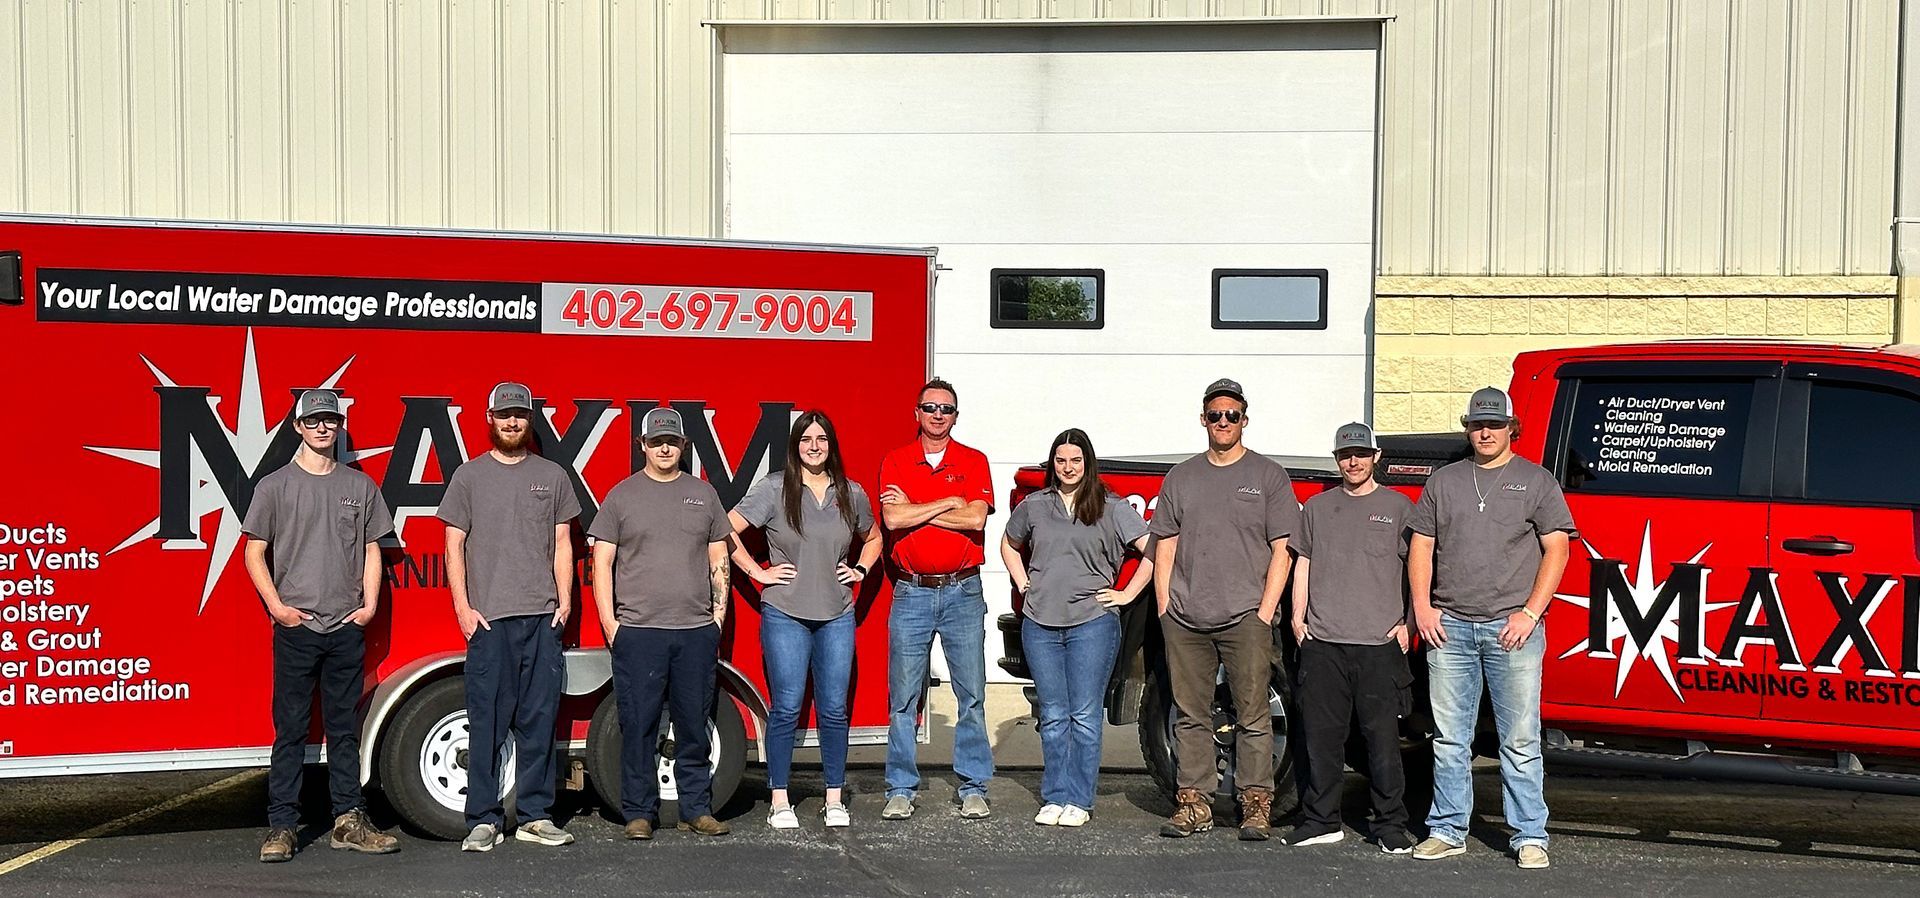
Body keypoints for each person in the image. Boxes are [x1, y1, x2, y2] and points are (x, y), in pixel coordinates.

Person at [1408, 387, 1575, 870]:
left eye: (1495, 425)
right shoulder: (1445, 481)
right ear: (1468, 429)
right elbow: (1421, 544)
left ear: (1511, 428)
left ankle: (1529, 835)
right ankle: (1447, 828)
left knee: (1519, 739)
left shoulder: (1536, 480)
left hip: (1511, 630)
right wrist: (1423, 607)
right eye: (1477, 425)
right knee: (1448, 738)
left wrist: (1531, 612)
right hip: (1451, 627)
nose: (1485, 432)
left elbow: (1558, 547)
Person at [242, 389, 400, 863]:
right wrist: (279, 610)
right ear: (298, 426)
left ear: (339, 426)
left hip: (345, 629)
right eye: (314, 422)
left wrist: (369, 606)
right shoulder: (274, 487)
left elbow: (374, 548)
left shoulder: (360, 486)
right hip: (296, 630)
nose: (323, 428)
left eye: (331, 421)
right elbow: (253, 552)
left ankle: (348, 820)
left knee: (344, 731)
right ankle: (282, 826)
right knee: (290, 731)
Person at [1150, 378, 1300, 841]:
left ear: (1244, 421)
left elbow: (1285, 549)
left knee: (1253, 714)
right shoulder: (1182, 477)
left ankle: (1255, 805)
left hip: (1244, 618)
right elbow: (1165, 544)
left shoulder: (1268, 476)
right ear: (1203, 420)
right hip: (1186, 617)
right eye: (1215, 415)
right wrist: (1163, 608)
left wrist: (1264, 610)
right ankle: (1194, 803)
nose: (1223, 422)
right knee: (1190, 714)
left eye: (1231, 415)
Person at [439, 382, 582, 852]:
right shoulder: (469, 477)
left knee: (539, 723)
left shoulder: (553, 476)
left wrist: (564, 601)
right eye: (504, 415)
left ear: (530, 419)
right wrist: (463, 607)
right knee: (487, 723)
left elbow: (564, 543)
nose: (513, 422)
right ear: (490, 418)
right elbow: (453, 545)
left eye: (520, 414)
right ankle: (483, 817)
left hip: (542, 619)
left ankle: (536, 816)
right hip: (490, 622)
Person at [727, 411, 883, 830]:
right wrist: (756, 571)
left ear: (832, 445)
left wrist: (862, 570)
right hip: (785, 614)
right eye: (806, 439)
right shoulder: (775, 488)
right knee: (787, 707)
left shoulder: (851, 493)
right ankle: (780, 798)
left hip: (836, 615)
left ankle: (834, 797)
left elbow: (874, 537)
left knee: (833, 709)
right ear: (795, 445)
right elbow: (725, 529)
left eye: (822, 439)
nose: (814, 446)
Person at [587, 407, 734, 841]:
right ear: (642, 445)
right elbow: (602, 562)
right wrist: (611, 624)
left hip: (694, 631)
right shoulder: (622, 496)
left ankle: (696, 809)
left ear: (683, 446)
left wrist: (718, 616)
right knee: (638, 725)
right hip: (639, 632)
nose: (664, 448)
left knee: (694, 724)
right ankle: (638, 813)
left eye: (671, 441)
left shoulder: (703, 495)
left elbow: (718, 557)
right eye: (656, 441)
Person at [1000, 429, 1152, 828]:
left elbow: (1154, 550)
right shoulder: (1035, 505)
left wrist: (1126, 594)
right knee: (1052, 714)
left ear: (1088, 463)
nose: (1068, 468)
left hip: (1092, 623)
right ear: (1053, 463)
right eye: (1061, 460)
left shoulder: (1112, 506)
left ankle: (1079, 800)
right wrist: (1021, 581)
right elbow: (1008, 543)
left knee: (1083, 715)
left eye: (1076, 461)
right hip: (1040, 623)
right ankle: (1053, 796)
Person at [1283, 422, 1415, 854]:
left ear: (1376, 457)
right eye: (1345, 455)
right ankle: (1321, 820)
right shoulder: (1317, 509)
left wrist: (1409, 624)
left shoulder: (1399, 507)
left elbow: (1418, 570)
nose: (1353, 461)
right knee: (1320, 739)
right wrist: (1298, 620)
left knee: (1381, 744)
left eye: (1361, 453)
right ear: (1336, 459)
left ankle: (1390, 824)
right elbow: (1302, 562)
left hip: (1379, 644)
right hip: (1323, 642)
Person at [877, 378, 995, 820]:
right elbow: (892, 518)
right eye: (930, 408)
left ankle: (973, 785)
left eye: (946, 409)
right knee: (904, 698)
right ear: (917, 414)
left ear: (956, 416)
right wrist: (947, 499)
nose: (938, 415)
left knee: (972, 694)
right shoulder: (896, 460)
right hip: (911, 592)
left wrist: (920, 507)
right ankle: (901, 788)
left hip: (963, 590)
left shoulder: (974, 460)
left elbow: (975, 519)